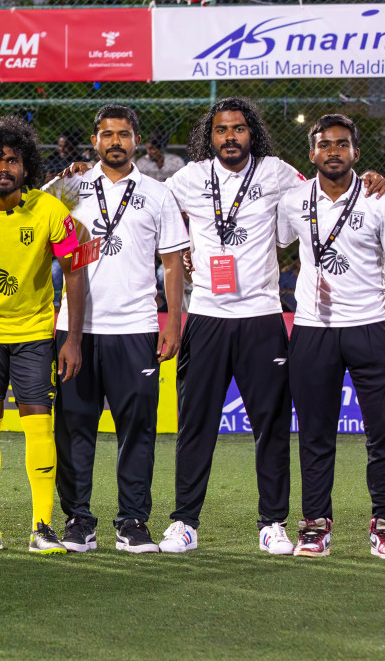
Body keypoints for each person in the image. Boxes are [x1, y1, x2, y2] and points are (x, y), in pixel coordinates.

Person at [159, 98, 377, 555]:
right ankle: (184, 522)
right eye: (222, 130)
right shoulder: (189, 178)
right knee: (195, 425)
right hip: (206, 316)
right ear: (211, 136)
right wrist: (80, 174)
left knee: (272, 428)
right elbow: (147, 201)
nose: (230, 137)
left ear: (251, 133)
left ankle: (273, 522)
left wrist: (374, 178)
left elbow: (326, 195)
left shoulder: (280, 174)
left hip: (262, 317)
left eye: (238, 129)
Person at [50, 106, 188, 556]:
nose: (115, 142)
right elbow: (30, 229)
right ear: (95, 140)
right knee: (74, 429)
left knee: (138, 430)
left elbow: (172, 263)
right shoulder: (70, 187)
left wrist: (172, 321)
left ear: (136, 139)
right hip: (77, 329)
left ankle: (132, 521)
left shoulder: (157, 193)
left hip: (136, 327)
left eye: (124, 134)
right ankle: (78, 520)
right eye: (107, 134)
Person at [0, 116, 83, 555]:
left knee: (38, 428)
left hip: (34, 335)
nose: (4, 168)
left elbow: (75, 272)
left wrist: (72, 338)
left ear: (26, 167)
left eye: (12, 160)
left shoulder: (51, 210)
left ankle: (42, 526)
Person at [277, 114, 385, 558]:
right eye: (325, 145)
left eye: (342, 144)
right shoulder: (294, 200)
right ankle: (315, 525)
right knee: (316, 433)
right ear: (312, 153)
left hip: (371, 324)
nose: (334, 151)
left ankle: (382, 520)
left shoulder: (379, 197)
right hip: (313, 329)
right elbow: (278, 243)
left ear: (356, 153)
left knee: (381, 433)